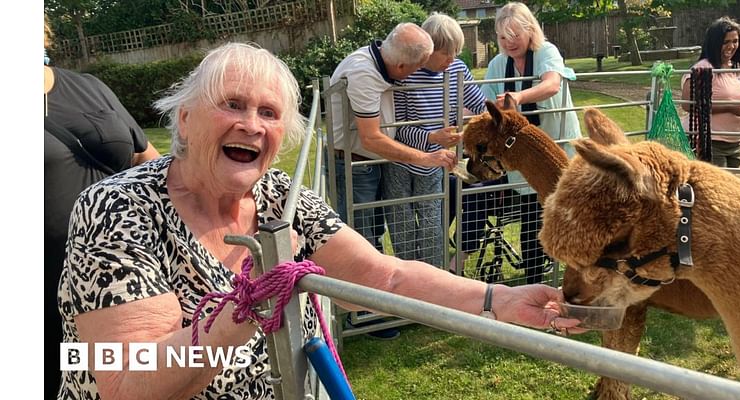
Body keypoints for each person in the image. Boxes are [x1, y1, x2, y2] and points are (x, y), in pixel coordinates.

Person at [56, 42, 581, 399]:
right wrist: (249, 308)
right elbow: (127, 381)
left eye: (269, 113)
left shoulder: (282, 200)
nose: (251, 125)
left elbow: (384, 277)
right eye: (232, 104)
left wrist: (497, 299)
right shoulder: (118, 209)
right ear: (186, 120)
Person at [43, 18, 160, 399]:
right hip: (48, 293)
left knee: (137, 378)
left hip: (134, 277)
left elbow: (148, 161)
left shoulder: (89, 88)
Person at [329, 22, 457, 339]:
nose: (415, 75)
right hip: (354, 164)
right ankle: (366, 316)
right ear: (400, 64)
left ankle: (376, 308)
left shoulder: (377, 63)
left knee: (373, 232)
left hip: (367, 163)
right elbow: (371, 138)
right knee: (361, 238)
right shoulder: (363, 74)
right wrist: (425, 156)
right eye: (414, 69)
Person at [480, 2, 581, 284]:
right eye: (502, 37)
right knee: (531, 216)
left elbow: (551, 85)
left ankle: (578, 272)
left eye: (515, 35)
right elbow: (482, 103)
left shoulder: (547, 52)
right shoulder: (498, 65)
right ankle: (534, 280)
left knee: (565, 212)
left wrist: (519, 99)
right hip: (523, 156)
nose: (509, 42)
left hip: (556, 146)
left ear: (530, 31)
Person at [385, 13, 486, 267]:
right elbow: (396, 129)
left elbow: (478, 103)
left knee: (433, 223)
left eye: (456, 52)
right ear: (427, 50)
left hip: (435, 163)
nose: (451, 59)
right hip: (400, 161)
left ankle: (434, 281)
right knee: (402, 224)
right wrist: (431, 136)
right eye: (445, 53)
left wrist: (498, 115)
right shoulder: (406, 74)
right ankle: (407, 282)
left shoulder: (457, 70)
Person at [680, 16, 740, 168]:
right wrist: (729, 108)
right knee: (715, 189)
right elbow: (688, 105)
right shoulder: (703, 68)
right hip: (708, 141)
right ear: (714, 43)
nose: (731, 46)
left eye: (735, 41)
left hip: (736, 142)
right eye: (725, 42)